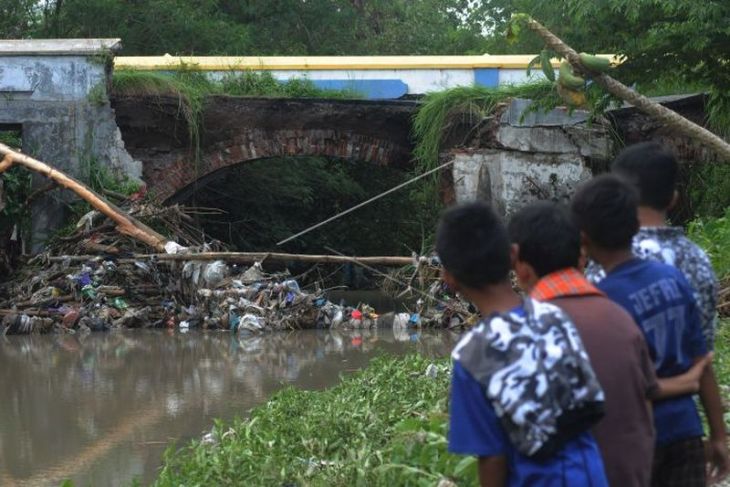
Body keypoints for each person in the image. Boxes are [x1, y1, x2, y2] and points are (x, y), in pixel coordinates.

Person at [508, 201, 711, 487]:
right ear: (581, 254)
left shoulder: (516, 333)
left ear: (516, 259)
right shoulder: (619, 317)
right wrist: (689, 382)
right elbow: (643, 406)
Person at [585, 142, 729, 482]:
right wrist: (719, 435)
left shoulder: (603, 267)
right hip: (686, 427)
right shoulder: (697, 260)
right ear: (673, 199)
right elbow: (702, 358)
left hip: (628, 434)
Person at [438, 201, 608, 487]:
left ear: (449, 278)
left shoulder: (472, 356)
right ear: (513, 255)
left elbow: (492, 458)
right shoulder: (555, 317)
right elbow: (591, 406)